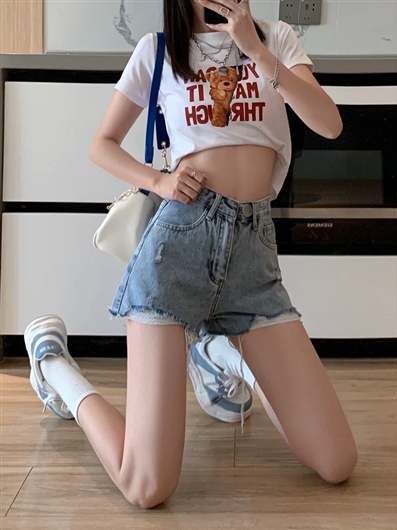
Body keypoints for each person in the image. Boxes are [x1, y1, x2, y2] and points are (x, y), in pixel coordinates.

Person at [24, 0, 358, 509]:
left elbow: (329, 123)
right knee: (147, 487)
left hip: (252, 259)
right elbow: (102, 144)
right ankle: (53, 367)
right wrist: (159, 181)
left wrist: (254, 50)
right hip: (176, 251)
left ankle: (213, 351)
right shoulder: (157, 51)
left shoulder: (275, 38)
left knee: (337, 462)